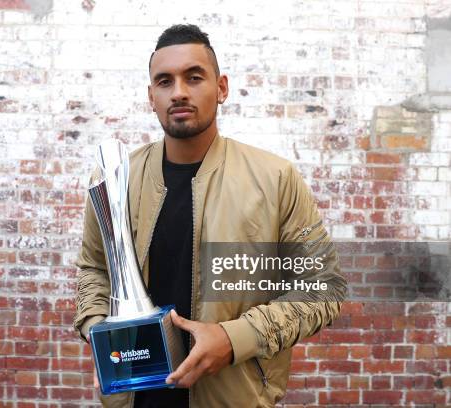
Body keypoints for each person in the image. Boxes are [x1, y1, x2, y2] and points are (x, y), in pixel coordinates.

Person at [73, 24, 346, 408]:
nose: (179, 91)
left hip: (232, 396)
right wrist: (99, 330)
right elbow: (94, 269)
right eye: (164, 81)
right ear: (151, 97)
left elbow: (321, 289)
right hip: (134, 397)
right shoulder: (115, 179)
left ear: (221, 88)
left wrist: (233, 339)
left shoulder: (274, 178)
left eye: (194, 77)